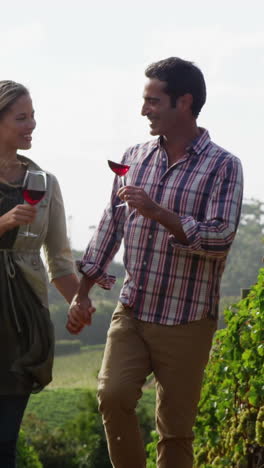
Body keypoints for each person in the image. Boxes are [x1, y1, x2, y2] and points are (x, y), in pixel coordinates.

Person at [67, 57, 244, 468]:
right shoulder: (134, 157)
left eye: (152, 100)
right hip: (134, 309)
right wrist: (82, 294)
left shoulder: (224, 166)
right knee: (112, 397)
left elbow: (219, 238)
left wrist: (160, 213)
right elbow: (110, 226)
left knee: (176, 431)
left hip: (188, 318)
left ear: (184, 102)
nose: (143, 109)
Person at [0, 80, 89, 468]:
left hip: (22, 327)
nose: (32, 124)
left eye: (33, 116)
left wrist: (78, 302)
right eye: (22, 117)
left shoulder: (45, 184)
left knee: (4, 445)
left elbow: (60, 260)